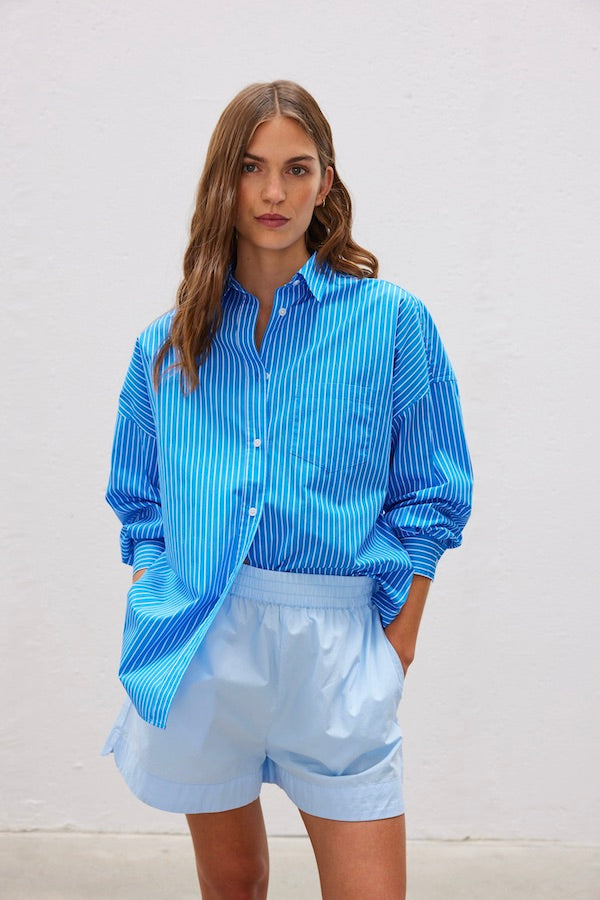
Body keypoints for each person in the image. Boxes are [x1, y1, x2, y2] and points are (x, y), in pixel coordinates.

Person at [102, 80, 473, 900]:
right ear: (223, 181)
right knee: (233, 884)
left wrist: (398, 643)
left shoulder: (391, 322)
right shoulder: (167, 344)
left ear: (325, 182)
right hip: (204, 636)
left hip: (338, 647)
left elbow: (433, 492)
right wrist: (154, 594)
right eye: (251, 167)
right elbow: (142, 504)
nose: (274, 192)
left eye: (297, 168)